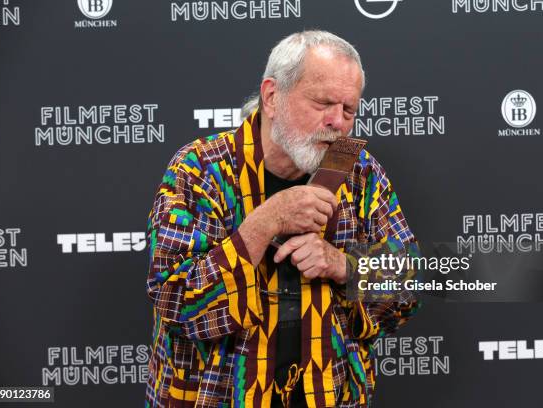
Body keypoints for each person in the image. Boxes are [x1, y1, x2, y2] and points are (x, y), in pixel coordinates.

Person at [145, 30, 419, 408]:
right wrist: (266, 221)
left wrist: (343, 265)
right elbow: (175, 301)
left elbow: (410, 281)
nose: (337, 122)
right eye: (323, 103)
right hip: (217, 396)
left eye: (349, 110)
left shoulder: (358, 170)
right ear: (272, 97)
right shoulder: (199, 169)